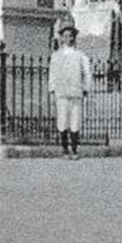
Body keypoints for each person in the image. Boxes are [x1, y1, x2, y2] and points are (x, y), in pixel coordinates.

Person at [48, 22, 91, 158]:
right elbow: (52, 74)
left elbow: (87, 73)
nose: (69, 39)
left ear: (74, 38)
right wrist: (52, 90)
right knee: (62, 120)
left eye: (71, 36)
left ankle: (74, 148)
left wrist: (86, 88)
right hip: (61, 92)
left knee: (75, 120)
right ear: (61, 38)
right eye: (65, 36)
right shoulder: (56, 55)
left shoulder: (80, 56)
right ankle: (65, 149)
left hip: (75, 92)